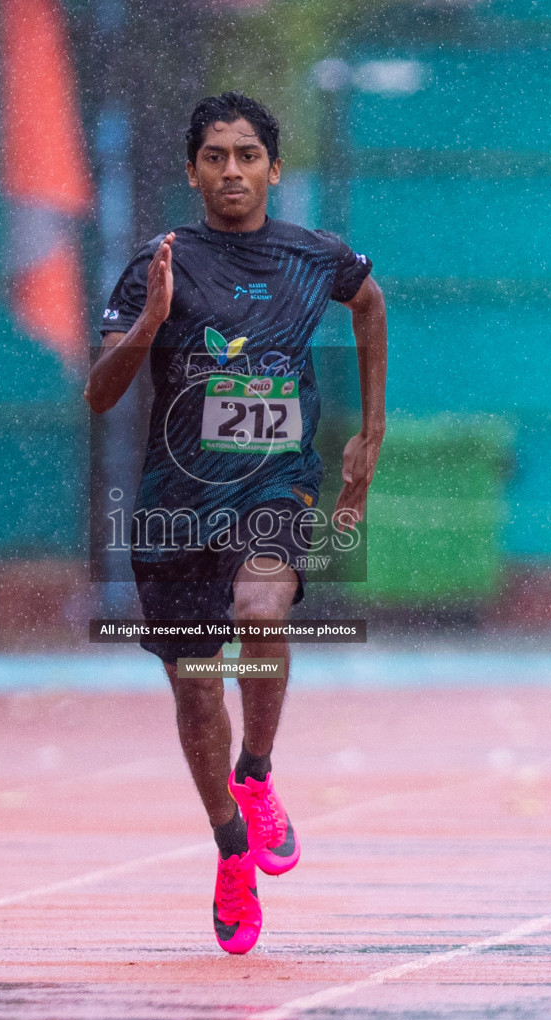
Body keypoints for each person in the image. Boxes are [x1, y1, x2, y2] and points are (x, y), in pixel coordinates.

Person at [84, 92, 387, 954]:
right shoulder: (158, 263)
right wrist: (148, 323)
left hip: (275, 489)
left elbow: (369, 304)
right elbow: (99, 394)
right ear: (192, 171)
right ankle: (227, 843)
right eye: (214, 156)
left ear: (273, 168)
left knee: (259, 615)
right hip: (176, 510)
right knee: (193, 685)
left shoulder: (313, 256)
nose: (231, 171)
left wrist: (372, 432)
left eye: (247, 155)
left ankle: (256, 774)